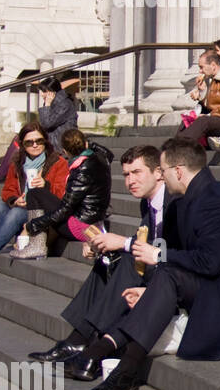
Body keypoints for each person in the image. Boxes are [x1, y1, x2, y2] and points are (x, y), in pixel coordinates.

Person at [62, 137, 220, 390]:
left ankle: (125, 367)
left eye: (163, 171)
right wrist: (152, 290)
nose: (161, 178)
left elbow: (208, 263)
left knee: (164, 270)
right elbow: (189, 259)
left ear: (178, 171)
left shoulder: (216, 200)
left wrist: (158, 255)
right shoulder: (191, 198)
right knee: (158, 274)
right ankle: (98, 353)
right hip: (214, 284)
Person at [29, 145, 175, 364]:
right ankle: (78, 337)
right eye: (126, 175)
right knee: (107, 261)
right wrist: (101, 243)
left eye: (137, 173)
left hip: (172, 270)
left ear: (158, 173)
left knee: (127, 258)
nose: (130, 181)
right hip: (155, 261)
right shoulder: (148, 201)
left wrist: (122, 242)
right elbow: (146, 238)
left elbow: (168, 248)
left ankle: (84, 340)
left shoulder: (173, 201)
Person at [0, 122, 68, 271]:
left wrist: (46, 185)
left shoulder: (58, 162)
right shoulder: (18, 162)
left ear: (45, 141)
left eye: (39, 141)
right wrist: (14, 199)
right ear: (23, 145)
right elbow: (8, 190)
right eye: (29, 142)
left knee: (16, 213)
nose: (35, 145)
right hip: (22, 204)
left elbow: (62, 193)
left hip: (41, 210)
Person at [23, 129, 113, 248]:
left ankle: (36, 245)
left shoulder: (80, 170)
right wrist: (88, 144)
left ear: (65, 151)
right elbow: (109, 154)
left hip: (83, 227)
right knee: (42, 198)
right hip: (94, 220)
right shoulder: (101, 159)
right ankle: (38, 243)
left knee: (34, 193)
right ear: (85, 144)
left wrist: (33, 225)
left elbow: (65, 210)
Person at [0, 76, 78, 182]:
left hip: (60, 143)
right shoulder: (55, 102)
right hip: (52, 139)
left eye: (44, 91)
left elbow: (47, 124)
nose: (42, 94)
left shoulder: (64, 104)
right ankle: (2, 174)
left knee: (23, 142)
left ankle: (1, 174)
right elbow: (45, 124)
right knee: (19, 139)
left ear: (51, 92)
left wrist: (47, 105)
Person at [175, 50, 220, 146]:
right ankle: (172, 150)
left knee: (203, 120)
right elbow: (213, 105)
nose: (200, 71)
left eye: (201, 67)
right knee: (188, 119)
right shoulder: (214, 80)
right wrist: (202, 93)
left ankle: (180, 148)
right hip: (219, 120)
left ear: (213, 65)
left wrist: (210, 115)